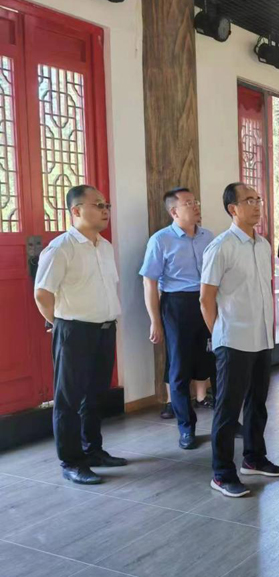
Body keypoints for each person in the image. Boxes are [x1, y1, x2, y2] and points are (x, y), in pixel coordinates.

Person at [34, 185, 127, 485]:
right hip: (74, 331)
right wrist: (61, 324)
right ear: (76, 211)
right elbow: (42, 294)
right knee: (69, 399)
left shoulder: (105, 246)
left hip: (104, 329)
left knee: (95, 395)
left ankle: (93, 450)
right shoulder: (61, 248)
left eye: (106, 205)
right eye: (98, 205)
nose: (105, 210)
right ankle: (72, 461)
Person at [201, 182, 279, 498]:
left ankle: (254, 458)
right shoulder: (221, 246)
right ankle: (222, 473)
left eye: (258, 199)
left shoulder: (262, 245)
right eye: (248, 200)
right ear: (232, 209)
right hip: (233, 339)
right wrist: (219, 335)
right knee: (228, 410)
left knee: (257, 404)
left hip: (261, 337)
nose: (256, 204)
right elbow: (206, 298)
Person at [140, 187, 215, 450]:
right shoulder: (160, 240)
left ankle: (226, 423)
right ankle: (186, 427)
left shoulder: (209, 236)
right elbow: (149, 282)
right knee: (180, 368)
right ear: (174, 211)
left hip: (207, 301)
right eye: (188, 203)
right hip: (177, 305)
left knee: (216, 361)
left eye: (196, 201)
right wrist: (155, 320)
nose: (195, 206)